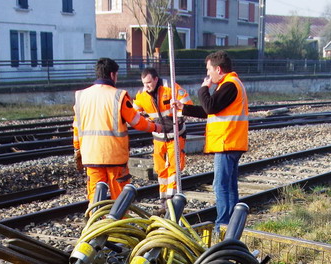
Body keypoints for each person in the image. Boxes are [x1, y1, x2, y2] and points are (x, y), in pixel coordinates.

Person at [72, 58, 163, 200]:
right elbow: (137, 122)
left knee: (95, 199)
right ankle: (121, 216)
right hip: (114, 158)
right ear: (112, 75)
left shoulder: (81, 96)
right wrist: (156, 127)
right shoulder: (118, 96)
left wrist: (77, 149)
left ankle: (97, 216)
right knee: (120, 199)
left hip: (91, 156)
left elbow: (76, 128)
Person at [176, 50, 249, 226]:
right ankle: (233, 223)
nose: (207, 74)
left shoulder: (229, 85)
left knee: (220, 185)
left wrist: (203, 88)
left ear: (218, 69)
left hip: (226, 142)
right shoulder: (229, 84)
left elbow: (209, 107)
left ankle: (223, 224)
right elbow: (210, 110)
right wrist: (183, 108)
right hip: (230, 142)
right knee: (229, 185)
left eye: (209, 69)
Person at [133, 68, 192, 212]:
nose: (146, 86)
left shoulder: (171, 87)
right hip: (158, 137)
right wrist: (147, 121)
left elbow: (187, 105)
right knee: (160, 170)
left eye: (148, 83)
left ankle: (171, 201)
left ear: (155, 79)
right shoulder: (141, 95)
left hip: (175, 135)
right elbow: (134, 113)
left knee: (174, 168)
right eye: (144, 83)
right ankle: (164, 201)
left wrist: (179, 118)